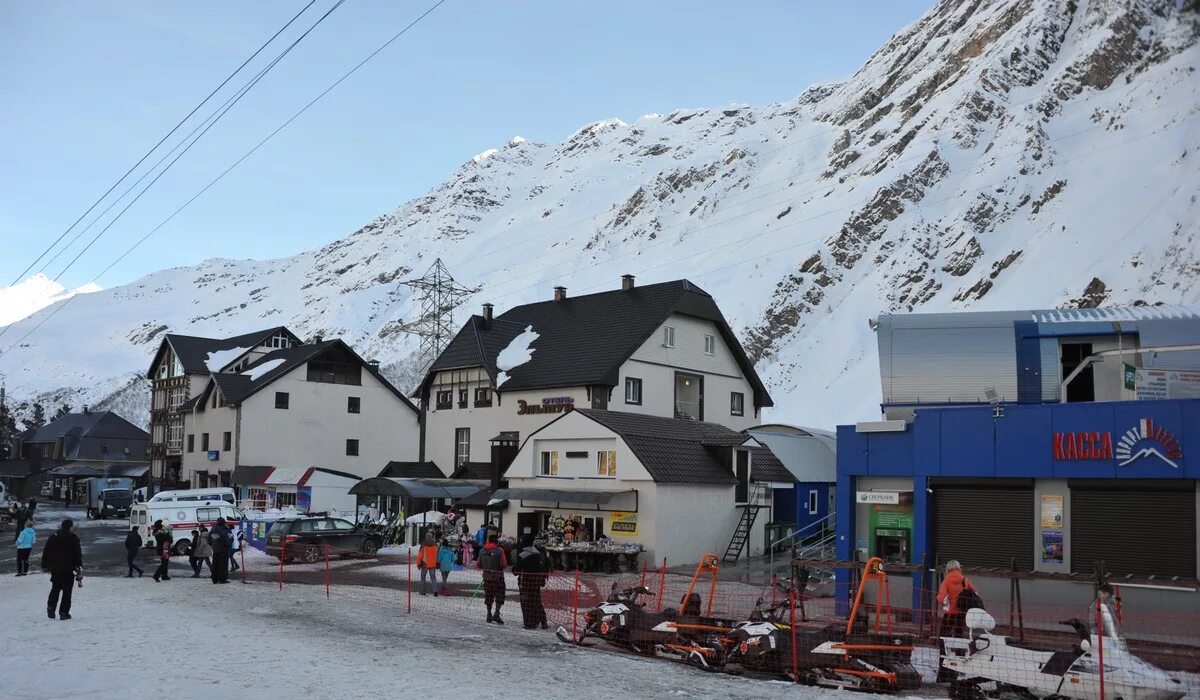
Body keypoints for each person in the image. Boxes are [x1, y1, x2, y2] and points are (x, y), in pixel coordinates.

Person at [936, 560, 975, 683]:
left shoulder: (946, 581)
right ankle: (958, 668)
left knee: (943, 640)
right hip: (961, 616)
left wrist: (942, 601)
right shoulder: (965, 580)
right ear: (959, 568)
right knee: (959, 640)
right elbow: (974, 592)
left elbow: (941, 598)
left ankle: (944, 669)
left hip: (949, 616)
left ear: (948, 569)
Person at [40, 519, 81, 620]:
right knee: (67, 591)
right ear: (70, 526)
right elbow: (77, 553)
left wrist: (44, 564)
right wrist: (78, 566)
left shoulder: (53, 537)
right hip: (68, 568)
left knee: (55, 588)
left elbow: (46, 551)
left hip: (55, 567)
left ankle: (51, 607)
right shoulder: (73, 537)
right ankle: (64, 612)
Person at [512, 534, 549, 629]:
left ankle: (529, 622)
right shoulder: (538, 553)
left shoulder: (522, 555)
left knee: (526, 602)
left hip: (525, 582)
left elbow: (516, 570)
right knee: (536, 600)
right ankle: (543, 621)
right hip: (536, 581)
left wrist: (514, 570)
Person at [478, 533, 508, 624]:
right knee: (500, 595)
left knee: (488, 596)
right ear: (496, 541)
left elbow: (479, 564)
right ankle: (496, 613)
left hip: (487, 577)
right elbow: (503, 564)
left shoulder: (482, 550)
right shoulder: (499, 550)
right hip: (498, 577)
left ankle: (488, 614)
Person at [208, 517, 232, 584]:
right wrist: (228, 545)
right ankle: (222, 579)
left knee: (215, 564)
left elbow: (209, 539)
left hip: (215, 550)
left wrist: (212, 544)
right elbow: (228, 539)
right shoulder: (224, 529)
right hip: (223, 550)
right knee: (223, 565)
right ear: (223, 523)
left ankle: (214, 579)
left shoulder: (213, 529)